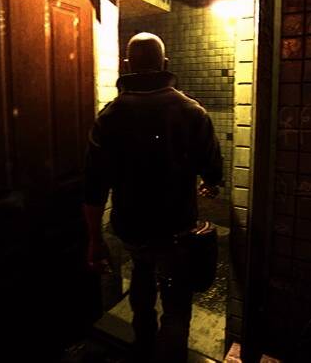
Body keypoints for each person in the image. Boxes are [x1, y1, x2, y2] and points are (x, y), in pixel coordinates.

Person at [82, 32, 223, 362]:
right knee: (176, 304)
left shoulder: (109, 116)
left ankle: (143, 350)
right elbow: (213, 170)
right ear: (165, 63)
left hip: (132, 228)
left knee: (141, 282)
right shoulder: (192, 111)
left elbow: (93, 186)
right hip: (177, 228)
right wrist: (209, 183)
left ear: (127, 64)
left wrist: (94, 240)